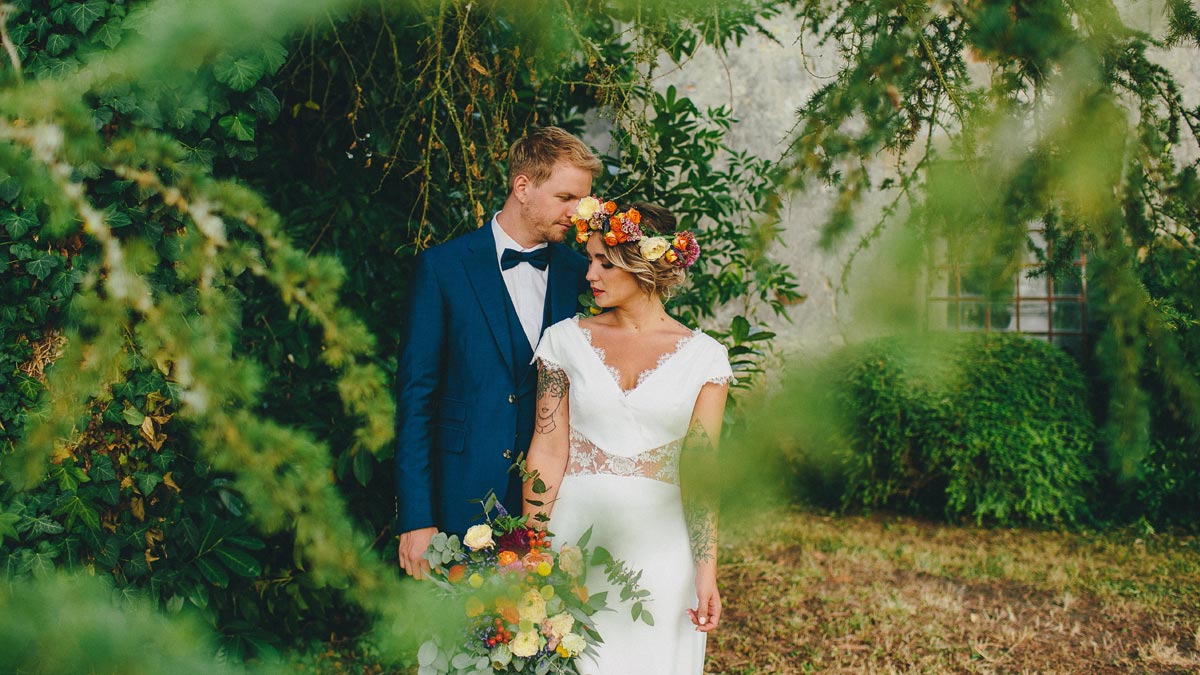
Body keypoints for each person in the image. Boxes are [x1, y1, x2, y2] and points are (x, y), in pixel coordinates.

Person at [522, 200, 732, 674]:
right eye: (590, 259)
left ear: (644, 267)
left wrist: (705, 569)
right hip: (575, 535)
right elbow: (548, 449)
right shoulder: (563, 341)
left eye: (604, 261)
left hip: (662, 552)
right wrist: (530, 548)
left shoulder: (706, 358)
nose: (590, 273)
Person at [394, 127, 602, 579]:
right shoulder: (443, 268)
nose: (578, 213)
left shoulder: (583, 274)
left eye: (583, 200)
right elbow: (416, 400)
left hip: (554, 498)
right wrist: (415, 517)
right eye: (566, 197)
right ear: (522, 187)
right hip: (459, 492)